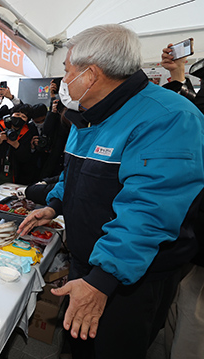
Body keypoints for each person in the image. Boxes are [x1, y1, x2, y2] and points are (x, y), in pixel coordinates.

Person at [18, 24, 204, 359]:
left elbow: (149, 211)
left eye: (67, 70)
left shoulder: (168, 117)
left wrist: (102, 281)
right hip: (86, 263)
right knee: (77, 349)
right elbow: (74, 173)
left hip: (128, 281)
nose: (63, 80)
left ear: (90, 74)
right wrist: (55, 204)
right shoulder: (88, 114)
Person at [160, 43, 204, 359]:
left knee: (193, 320)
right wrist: (176, 75)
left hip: (195, 237)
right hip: (187, 236)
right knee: (178, 310)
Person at [0, 103, 38, 187]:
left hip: (16, 176)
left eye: (23, 117)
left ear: (27, 121)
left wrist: (17, 146)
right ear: (11, 115)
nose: (19, 118)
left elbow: (28, 158)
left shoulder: (29, 132)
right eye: (17, 114)